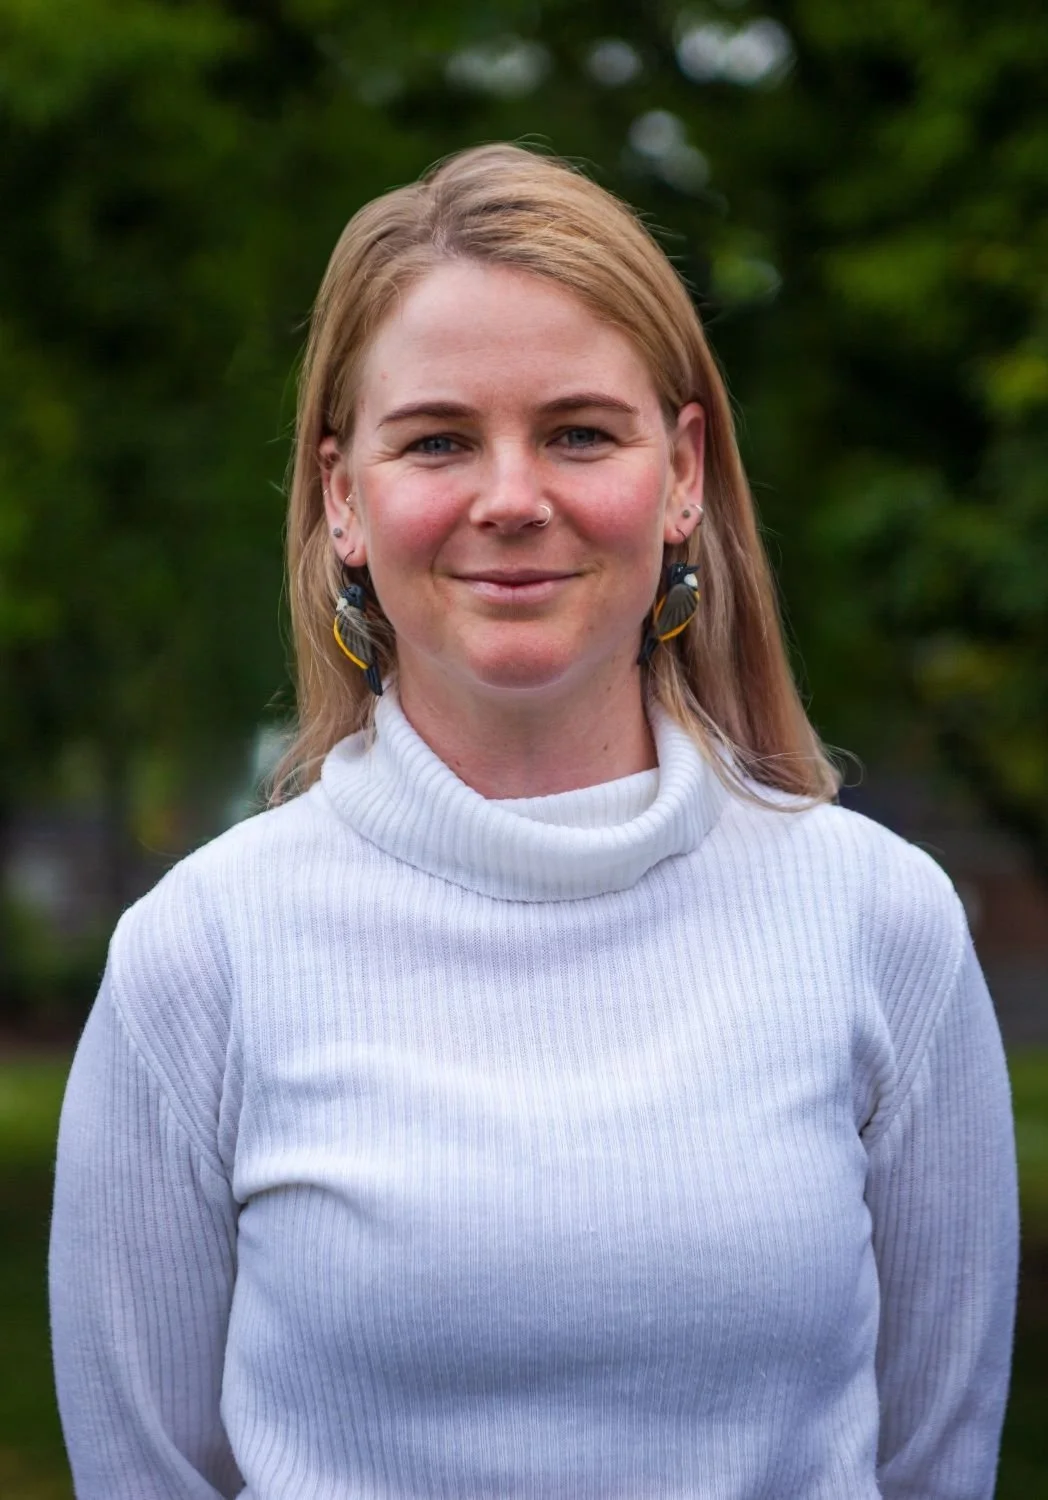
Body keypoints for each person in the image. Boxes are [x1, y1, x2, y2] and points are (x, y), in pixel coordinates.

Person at [49, 143, 1018, 1499]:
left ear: (681, 475)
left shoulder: (880, 924)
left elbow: (935, 1459)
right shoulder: (199, 963)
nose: (512, 499)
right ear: (343, 497)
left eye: (578, 431)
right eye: (438, 438)